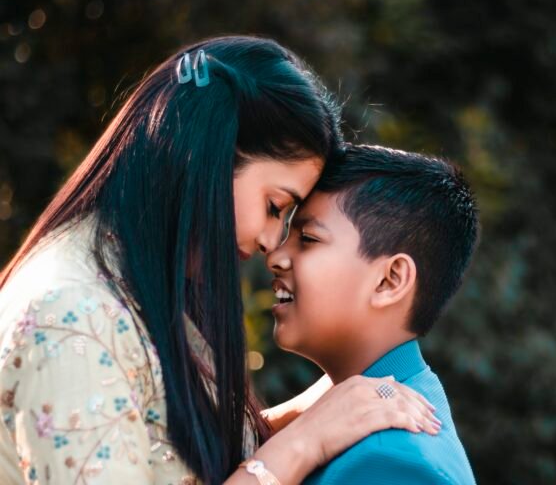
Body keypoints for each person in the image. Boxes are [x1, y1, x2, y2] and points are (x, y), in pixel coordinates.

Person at [0, 36, 440, 485]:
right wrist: (306, 440)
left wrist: (305, 412)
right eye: (275, 206)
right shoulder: (71, 317)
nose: (273, 242)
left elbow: (166, 453)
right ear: (204, 159)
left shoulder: (138, 277)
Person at [266, 144, 479, 484]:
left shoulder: (390, 464)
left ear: (389, 280)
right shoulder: (362, 419)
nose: (275, 256)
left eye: (307, 238)